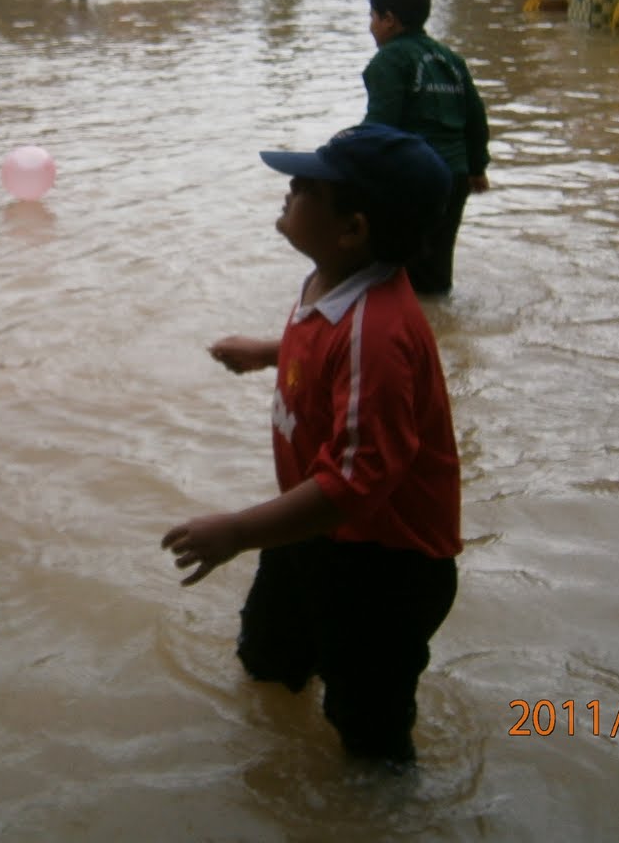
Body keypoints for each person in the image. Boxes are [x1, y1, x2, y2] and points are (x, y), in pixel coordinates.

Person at [161, 123, 461, 766]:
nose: (290, 189)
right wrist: (272, 352)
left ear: (352, 228)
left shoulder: (375, 334)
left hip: (385, 568)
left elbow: (354, 485)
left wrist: (239, 531)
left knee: (368, 732)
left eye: (304, 187)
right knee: (268, 661)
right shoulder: (334, 279)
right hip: (313, 532)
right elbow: (322, 346)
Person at [361, 0, 490, 295]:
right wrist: (477, 168)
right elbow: (475, 118)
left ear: (389, 20)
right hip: (455, 176)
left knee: (392, 271)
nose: (371, 25)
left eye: (373, 16)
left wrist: (351, 168)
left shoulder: (390, 59)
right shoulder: (451, 59)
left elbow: (380, 126)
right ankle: (441, 330)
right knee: (435, 272)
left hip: (412, 178)